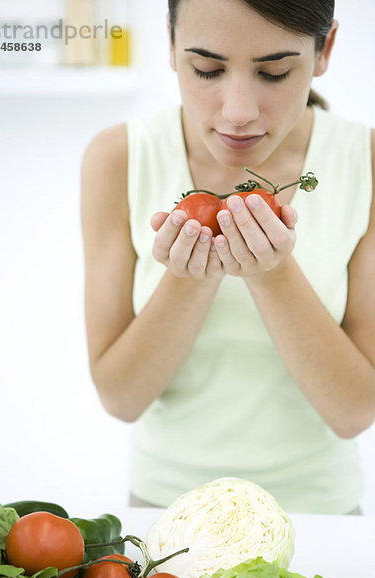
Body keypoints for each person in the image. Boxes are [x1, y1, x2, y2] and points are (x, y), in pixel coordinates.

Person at [80, 0, 375, 515]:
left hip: (320, 518)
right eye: (208, 69)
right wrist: (188, 279)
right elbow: (120, 399)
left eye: (275, 72)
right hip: (164, 517)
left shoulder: (364, 162)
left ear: (324, 50)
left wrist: (273, 275)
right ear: (170, 46)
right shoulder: (118, 157)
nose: (238, 111)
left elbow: (355, 410)